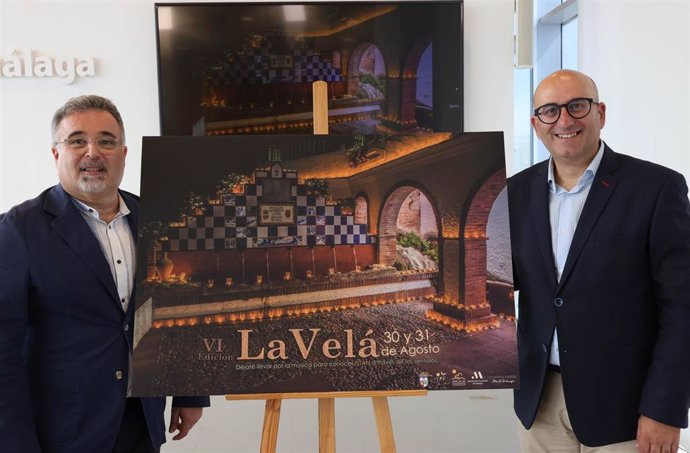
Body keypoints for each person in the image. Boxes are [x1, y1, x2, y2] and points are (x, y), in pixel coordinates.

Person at [0, 95, 209, 453]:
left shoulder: (157, 219)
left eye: (106, 141)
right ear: (56, 154)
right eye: (77, 140)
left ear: (123, 154)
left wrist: (190, 392)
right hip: (62, 432)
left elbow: (176, 308)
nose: (92, 152)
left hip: (141, 419)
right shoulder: (18, 229)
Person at [508, 69, 690, 452]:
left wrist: (665, 409)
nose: (564, 120)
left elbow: (682, 307)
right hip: (539, 401)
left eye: (577, 106)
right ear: (536, 124)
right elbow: (500, 279)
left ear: (600, 113)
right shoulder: (515, 192)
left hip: (625, 409)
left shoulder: (656, 189)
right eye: (550, 111)